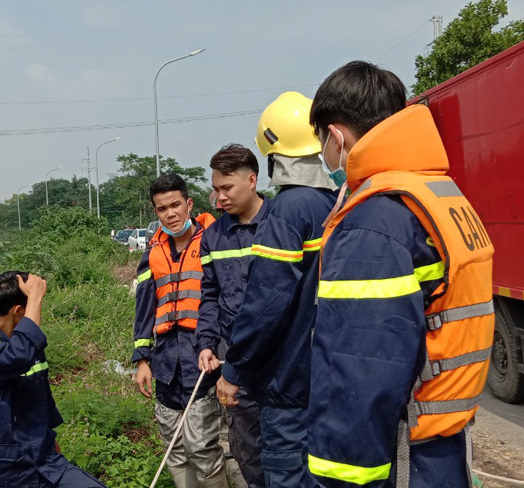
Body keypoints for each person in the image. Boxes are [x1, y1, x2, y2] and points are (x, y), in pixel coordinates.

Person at [307, 61, 494, 488]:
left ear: (336, 136)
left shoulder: (374, 221)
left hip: (403, 455)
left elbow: (362, 370)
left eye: (323, 144)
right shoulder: (436, 194)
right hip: (443, 443)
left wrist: (342, 479)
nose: (324, 157)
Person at [214, 92, 336, 487]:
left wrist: (233, 369)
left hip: (287, 385)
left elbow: (266, 302)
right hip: (326, 376)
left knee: (283, 474)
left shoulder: (286, 210)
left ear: (271, 155)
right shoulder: (334, 203)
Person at [0, 271, 106, 488]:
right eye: (33, 307)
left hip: (43, 457)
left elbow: (40, 392)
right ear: (19, 311)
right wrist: (35, 298)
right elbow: (17, 355)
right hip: (0, 464)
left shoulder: (27, 339)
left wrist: (50, 437)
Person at [132, 173, 229, 488]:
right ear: (156, 213)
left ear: (189, 204)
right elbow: (145, 310)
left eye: (175, 205)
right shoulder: (153, 253)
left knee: (201, 446)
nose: (170, 214)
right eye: (162, 209)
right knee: (173, 448)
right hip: (165, 363)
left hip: (202, 356)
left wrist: (220, 349)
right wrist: (142, 359)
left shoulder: (214, 241)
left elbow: (226, 300)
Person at [196, 144, 268, 488]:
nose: (219, 197)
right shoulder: (214, 236)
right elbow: (209, 296)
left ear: (251, 180)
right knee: (246, 446)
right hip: (235, 360)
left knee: (287, 444)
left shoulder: (280, 223)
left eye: (227, 188)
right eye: (216, 188)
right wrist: (207, 343)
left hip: (281, 360)